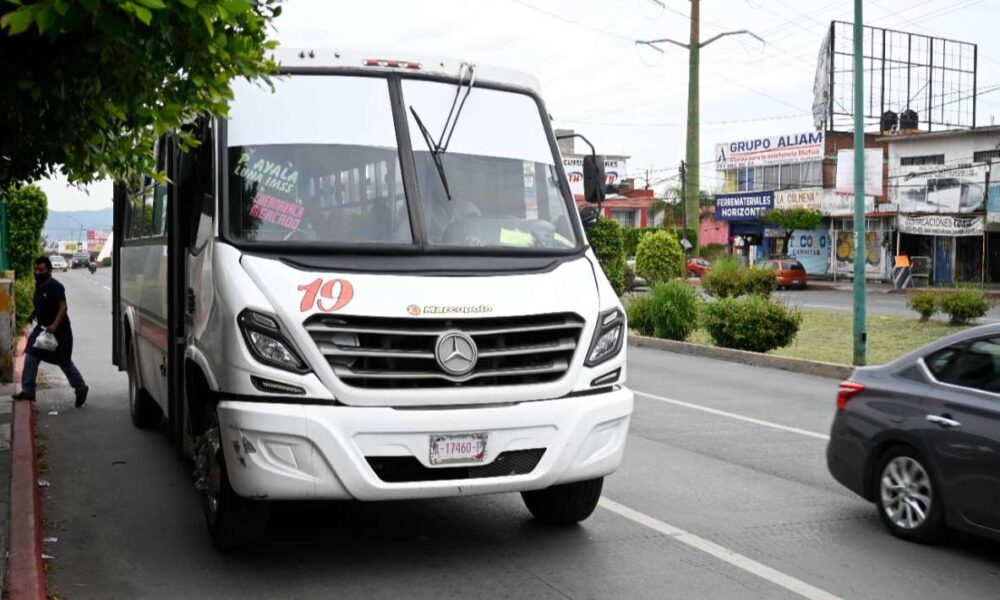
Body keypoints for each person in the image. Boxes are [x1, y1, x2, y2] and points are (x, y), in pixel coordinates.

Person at [12, 256, 89, 407]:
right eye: (36, 269)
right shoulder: (39, 286)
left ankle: (81, 388)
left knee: (64, 362)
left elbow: (63, 307)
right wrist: (32, 315)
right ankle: (28, 390)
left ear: (49, 270)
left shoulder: (55, 286)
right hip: (42, 329)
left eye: (41, 269)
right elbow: (42, 304)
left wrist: (54, 325)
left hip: (60, 331)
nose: (37, 272)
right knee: (31, 355)